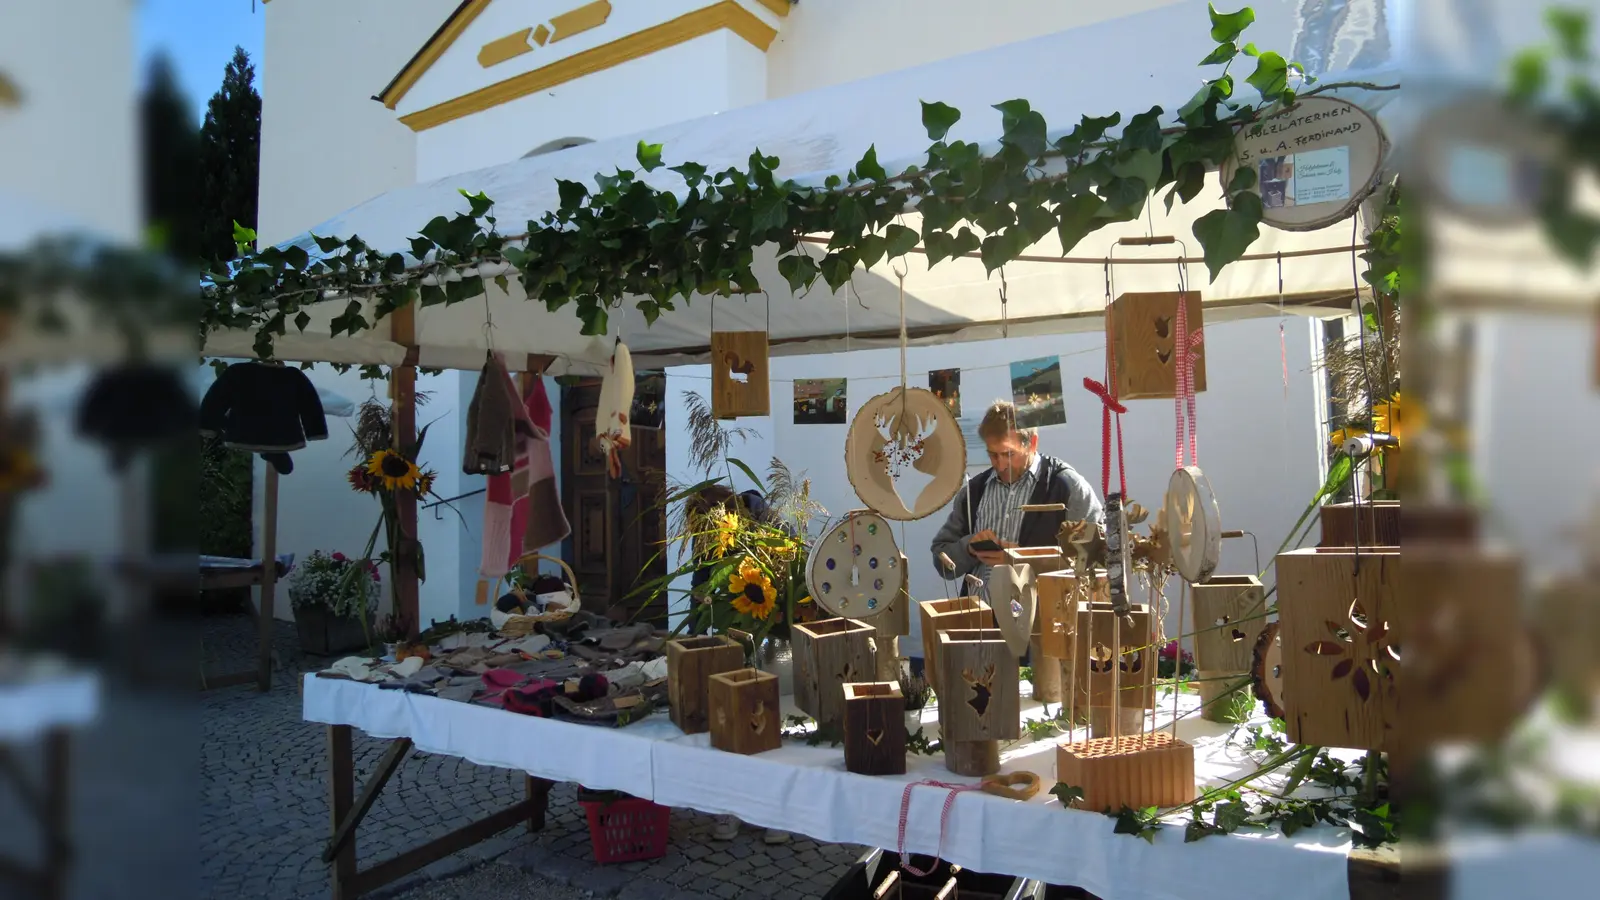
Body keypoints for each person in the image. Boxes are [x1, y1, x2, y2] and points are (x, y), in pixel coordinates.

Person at [930, 400, 1104, 589]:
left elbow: (1097, 560)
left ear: (1032, 444)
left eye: (1009, 454)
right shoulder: (974, 491)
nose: (1001, 465)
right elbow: (942, 562)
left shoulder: (1068, 486)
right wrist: (969, 548)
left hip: (1043, 616)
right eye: (993, 455)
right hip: (979, 614)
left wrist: (1022, 560)